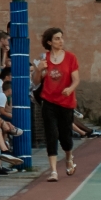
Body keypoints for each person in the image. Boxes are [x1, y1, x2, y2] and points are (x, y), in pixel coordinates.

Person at [35, 26, 80, 181]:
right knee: (51, 134)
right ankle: (53, 171)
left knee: (65, 136)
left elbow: (76, 79)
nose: (61, 41)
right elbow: (36, 82)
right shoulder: (44, 59)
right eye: (57, 38)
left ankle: (68, 157)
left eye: (61, 38)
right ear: (49, 42)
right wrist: (38, 70)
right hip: (49, 101)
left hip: (66, 102)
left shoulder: (71, 57)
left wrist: (70, 88)